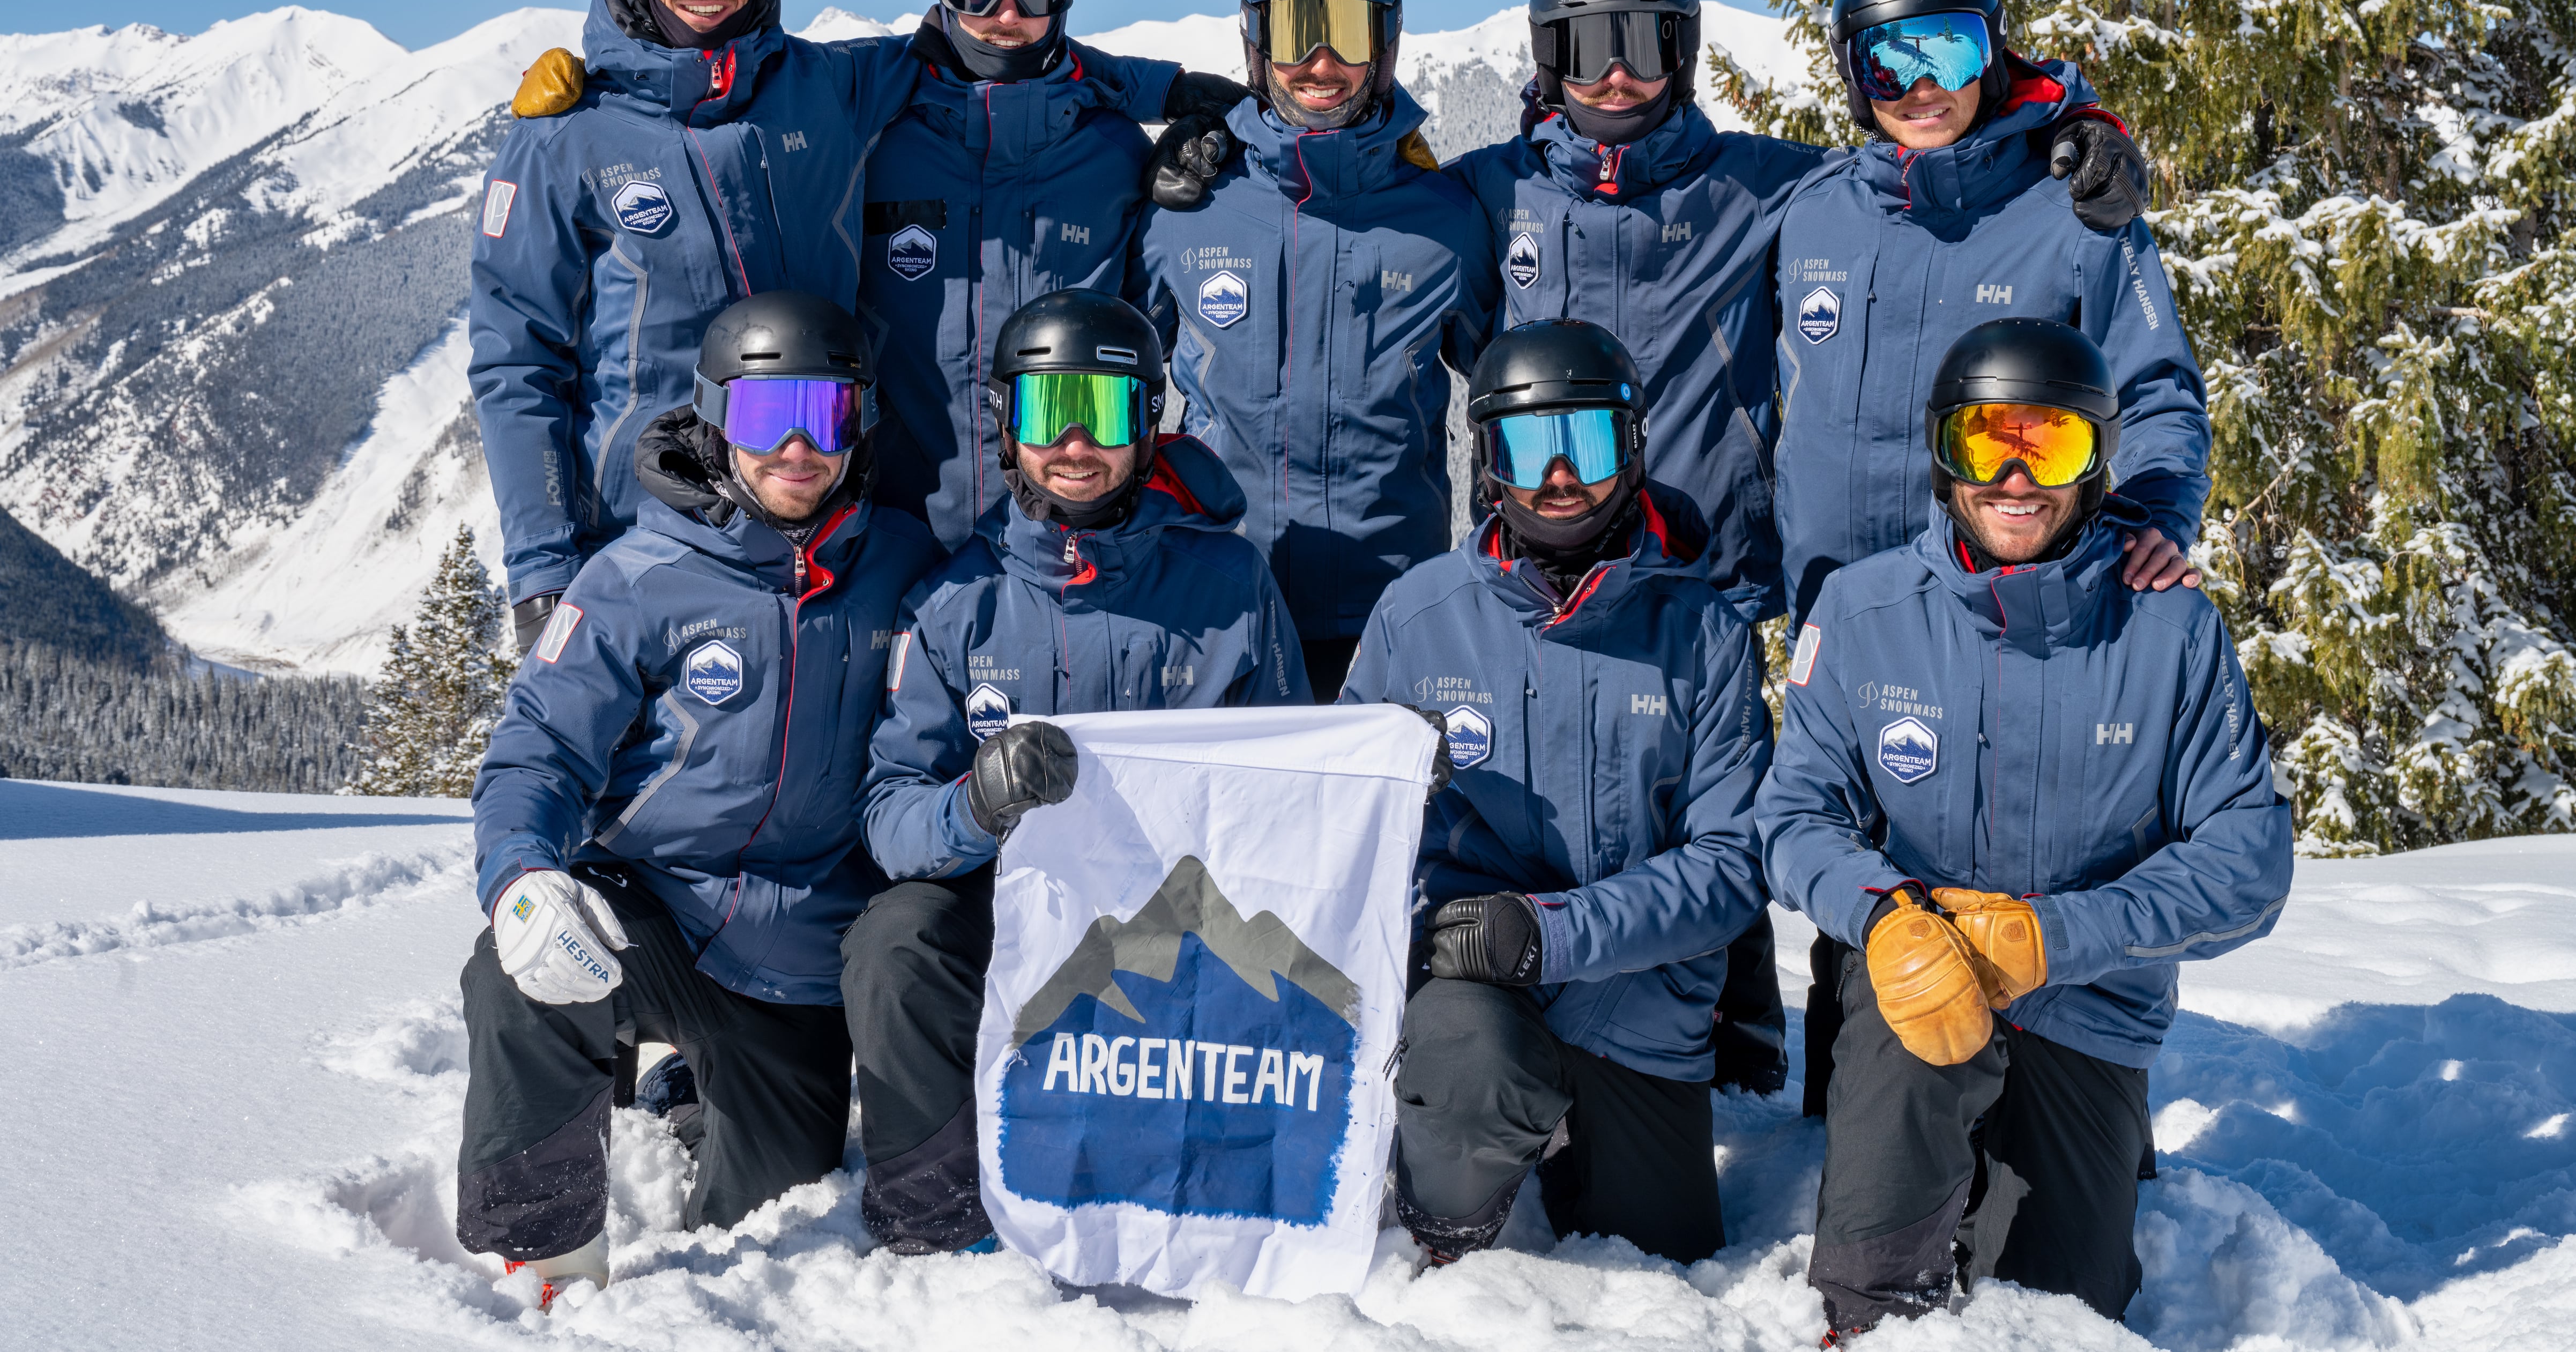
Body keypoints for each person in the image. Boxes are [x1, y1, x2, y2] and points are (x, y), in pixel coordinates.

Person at [1756, 318, 2291, 1336]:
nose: (2014, 477)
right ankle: (1869, 1311)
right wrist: (1886, 914)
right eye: (1984, 441)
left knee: (2060, 1306)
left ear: (2097, 461)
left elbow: (2248, 864)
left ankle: (2087, 1158)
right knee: (1874, 1260)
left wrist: (2058, 936)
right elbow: (1793, 816)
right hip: (1912, 976)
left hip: (2086, 1003)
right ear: (1942, 452)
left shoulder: (2170, 629)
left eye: (2050, 445)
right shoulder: (1862, 611)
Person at [1773, 0, 2211, 1111]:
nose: (1921, 82)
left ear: (1994, 50)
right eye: (1888, 58)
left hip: (2008, 588)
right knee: (1857, 857)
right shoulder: (1811, 214)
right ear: (1847, 69)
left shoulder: (2073, 211)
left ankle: (2075, 1105)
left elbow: (2156, 387)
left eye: (1950, 49)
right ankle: (1856, 1117)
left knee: (2032, 836)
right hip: (1843, 600)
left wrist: (2154, 514)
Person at [457, 293, 942, 1305]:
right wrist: (521, 876)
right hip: (654, 912)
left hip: (803, 955)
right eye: (768, 418)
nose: (800, 448)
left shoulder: (907, 569)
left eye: (829, 414)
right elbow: (536, 749)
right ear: (717, 419)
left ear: (862, 423)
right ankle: (543, 1250)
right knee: (522, 974)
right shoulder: (636, 577)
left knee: (770, 1202)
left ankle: (684, 1091)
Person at [841, 288, 1312, 1253]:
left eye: (1101, 412)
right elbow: (889, 816)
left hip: (1175, 921)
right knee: (895, 937)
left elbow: (1296, 789)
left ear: (1147, 424)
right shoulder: (956, 602)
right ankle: (937, 1214)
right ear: (1007, 430)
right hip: (1007, 914)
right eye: (1046, 412)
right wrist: (976, 802)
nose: (1074, 443)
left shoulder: (1229, 587)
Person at [1341, 319, 1770, 1266]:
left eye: (1590, 441)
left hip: (1638, 998)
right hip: (1476, 985)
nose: (1561, 475)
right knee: (1463, 1071)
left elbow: (1734, 864)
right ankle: (1447, 1238)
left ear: (1636, 444)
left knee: (1661, 1257)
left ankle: (1578, 1130)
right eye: (1531, 446)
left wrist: (1556, 932)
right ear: (1488, 460)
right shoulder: (1418, 618)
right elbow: (1347, 841)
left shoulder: (1702, 632)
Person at [472, 0, 925, 647]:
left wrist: (1158, 92)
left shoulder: (831, 86)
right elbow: (517, 361)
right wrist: (542, 569)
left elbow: (990, 50)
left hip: (821, 509)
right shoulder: (566, 137)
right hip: (643, 531)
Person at [1138, 0, 1498, 701]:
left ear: (1388, 46)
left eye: (1349, 33)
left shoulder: (1446, 218)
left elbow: (1508, 388)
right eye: (1298, 34)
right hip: (1214, 599)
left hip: (1388, 609)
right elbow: (1113, 385)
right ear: (1256, 44)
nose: (1322, 65)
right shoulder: (1185, 209)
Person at [860, 0, 1247, 547]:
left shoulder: (1111, 150)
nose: (1006, 12)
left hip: (1075, 543)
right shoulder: (875, 139)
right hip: (903, 539)